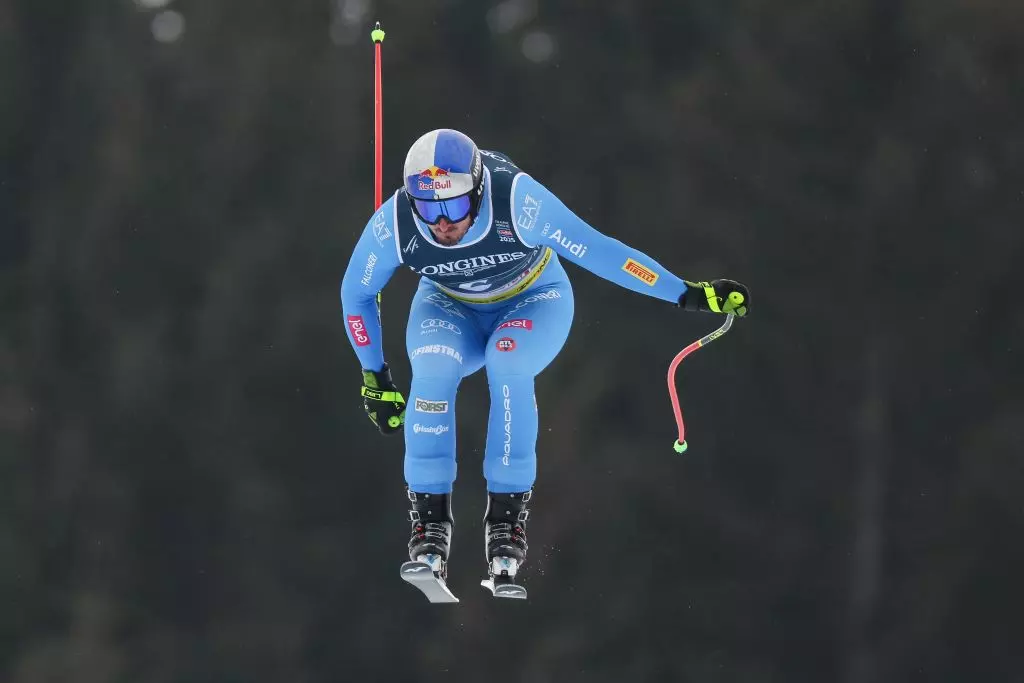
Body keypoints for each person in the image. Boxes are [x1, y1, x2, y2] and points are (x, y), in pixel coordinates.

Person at [340, 128, 749, 592]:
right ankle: (429, 527)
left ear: (475, 190)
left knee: (507, 363)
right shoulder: (394, 221)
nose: (442, 223)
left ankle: (506, 524)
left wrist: (688, 294)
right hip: (448, 306)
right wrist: (374, 373)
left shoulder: (518, 202)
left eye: (452, 206)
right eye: (428, 208)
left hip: (533, 300)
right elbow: (357, 293)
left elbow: (600, 252)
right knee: (431, 370)